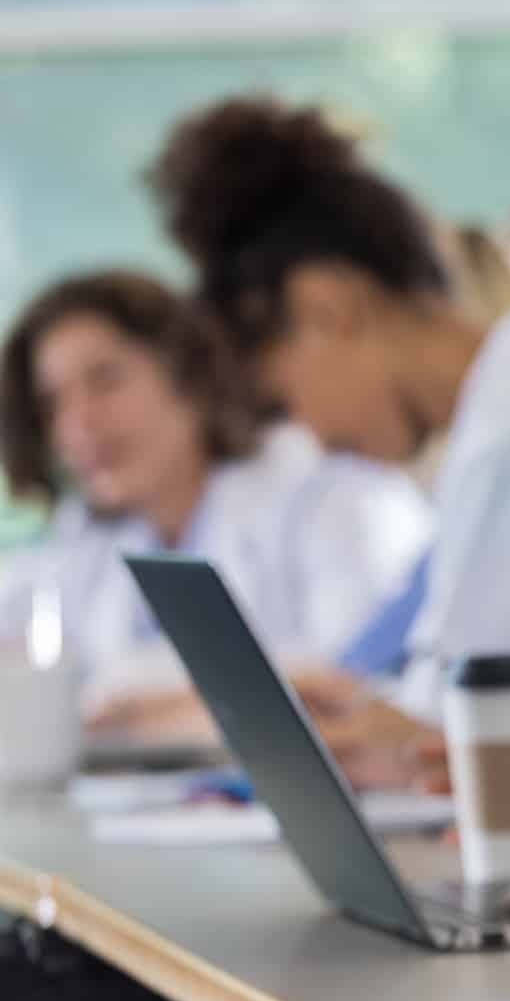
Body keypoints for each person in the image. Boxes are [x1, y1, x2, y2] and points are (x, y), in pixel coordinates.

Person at [145, 96, 510, 738]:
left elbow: (495, 733)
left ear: (329, 307)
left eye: (285, 399)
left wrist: (366, 731)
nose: (316, 437)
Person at [0, 270, 429, 725]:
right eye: (53, 403)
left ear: (188, 376)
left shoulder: (333, 498)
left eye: (105, 381)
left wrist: (136, 717)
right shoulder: (88, 541)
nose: (77, 423)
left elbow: (347, 699)